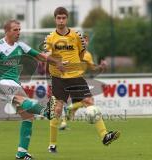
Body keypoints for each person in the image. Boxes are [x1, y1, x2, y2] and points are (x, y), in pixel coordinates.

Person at [0, 19, 64, 160]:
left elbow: (40, 57)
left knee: (28, 116)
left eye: (19, 30)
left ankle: (21, 154)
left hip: (14, 84)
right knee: (22, 100)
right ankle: (46, 111)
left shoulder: (21, 46)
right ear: (7, 31)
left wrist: (57, 62)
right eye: (15, 30)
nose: (18, 32)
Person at [44, 7, 120, 153]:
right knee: (57, 109)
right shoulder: (50, 37)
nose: (61, 21)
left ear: (67, 19)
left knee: (89, 102)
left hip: (76, 77)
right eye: (58, 18)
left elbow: (82, 54)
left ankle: (105, 136)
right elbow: (46, 55)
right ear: (55, 19)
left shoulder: (77, 36)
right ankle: (52, 145)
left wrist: (75, 65)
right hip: (58, 77)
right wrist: (57, 63)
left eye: (63, 18)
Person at [58, 34, 95, 130]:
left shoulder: (88, 55)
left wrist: (102, 67)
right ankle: (70, 108)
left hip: (78, 79)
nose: (84, 42)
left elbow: (92, 68)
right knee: (89, 100)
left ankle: (63, 123)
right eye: (82, 40)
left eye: (86, 41)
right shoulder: (75, 51)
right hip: (75, 79)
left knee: (76, 107)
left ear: (88, 42)